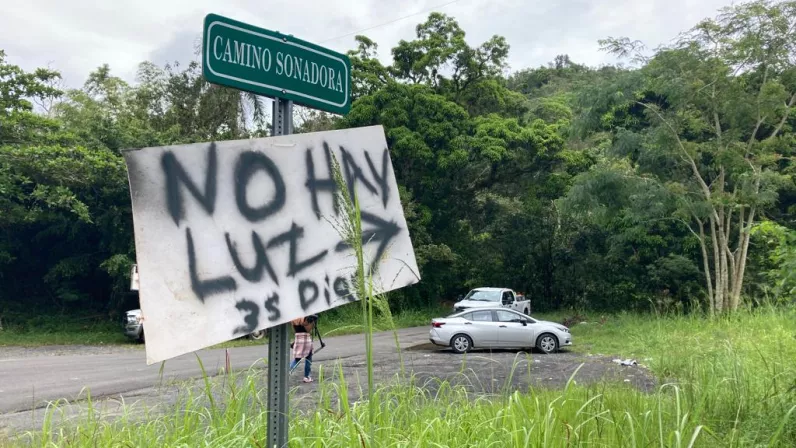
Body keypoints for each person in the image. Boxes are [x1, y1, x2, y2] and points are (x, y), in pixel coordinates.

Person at [289, 315, 316, 383]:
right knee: (308, 358)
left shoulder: (293, 319)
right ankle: (306, 377)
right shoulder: (306, 318)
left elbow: (294, 331)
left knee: (297, 359)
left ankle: (287, 372)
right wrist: (313, 322)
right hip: (306, 339)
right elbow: (308, 330)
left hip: (298, 339)